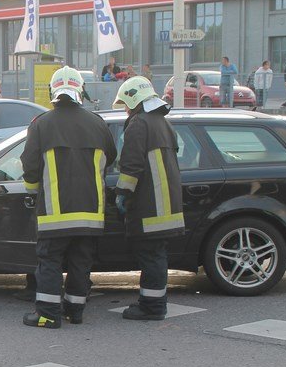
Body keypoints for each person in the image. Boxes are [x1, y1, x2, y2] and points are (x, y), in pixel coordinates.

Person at [20, 66, 117, 328]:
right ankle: (75, 311)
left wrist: (32, 192)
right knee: (80, 262)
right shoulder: (97, 123)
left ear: (52, 91)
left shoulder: (41, 124)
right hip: (90, 212)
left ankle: (48, 315)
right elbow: (111, 157)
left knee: (50, 261)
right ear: (80, 91)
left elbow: (29, 165)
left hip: (55, 213)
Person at [112, 77, 184, 320]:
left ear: (134, 100)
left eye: (126, 104)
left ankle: (152, 307)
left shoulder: (139, 124)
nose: (125, 109)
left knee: (151, 257)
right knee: (156, 256)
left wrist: (122, 194)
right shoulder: (163, 123)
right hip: (167, 205)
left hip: (151, 206)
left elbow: (131, 167)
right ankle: (152, 302)